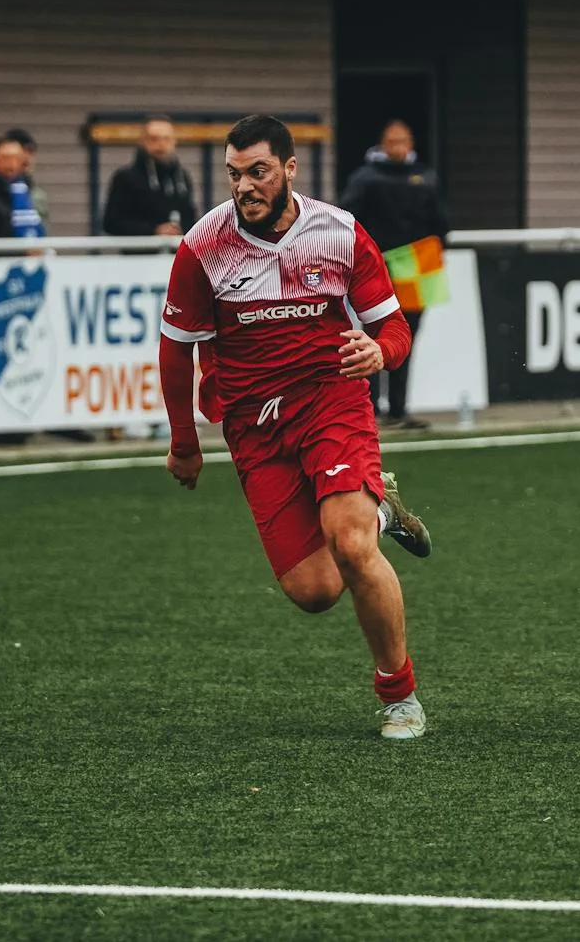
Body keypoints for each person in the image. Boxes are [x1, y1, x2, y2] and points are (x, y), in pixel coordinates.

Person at [158, 114, 437, 740]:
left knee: (351, 546)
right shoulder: (204, 246)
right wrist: (184, 444)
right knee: (313, 592)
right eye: (234, 174)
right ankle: (382, 511)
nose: (244, 187)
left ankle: (400, 696)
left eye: (257, 172)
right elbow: (175, 348)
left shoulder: (339, 233)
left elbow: (394, 327)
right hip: (255, 427)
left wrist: (380, 353)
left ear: (289, 168)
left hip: (329, 401)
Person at [340, 119, 451, 429]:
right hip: (377, 270)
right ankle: (371, 408)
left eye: (404, 141)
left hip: (417, 269)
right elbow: (348, 219)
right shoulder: (365, 178)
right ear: (383, 144)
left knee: (406, 337)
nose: (399, 148)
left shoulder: (426, 178)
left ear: (411, 143)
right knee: (374, 335)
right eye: (393, 141)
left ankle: (399, 408)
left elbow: (441, 222)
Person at [104, 116, 199, 237]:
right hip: (141, 254)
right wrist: (154, 231)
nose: (161, 145)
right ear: (143, 142)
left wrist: (181, 230)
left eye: (167, 139)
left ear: (175, 142)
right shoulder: (125, 178)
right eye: (154, 139)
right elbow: (111, 223)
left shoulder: (182, 178)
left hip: (176, 253)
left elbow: (191, 218)